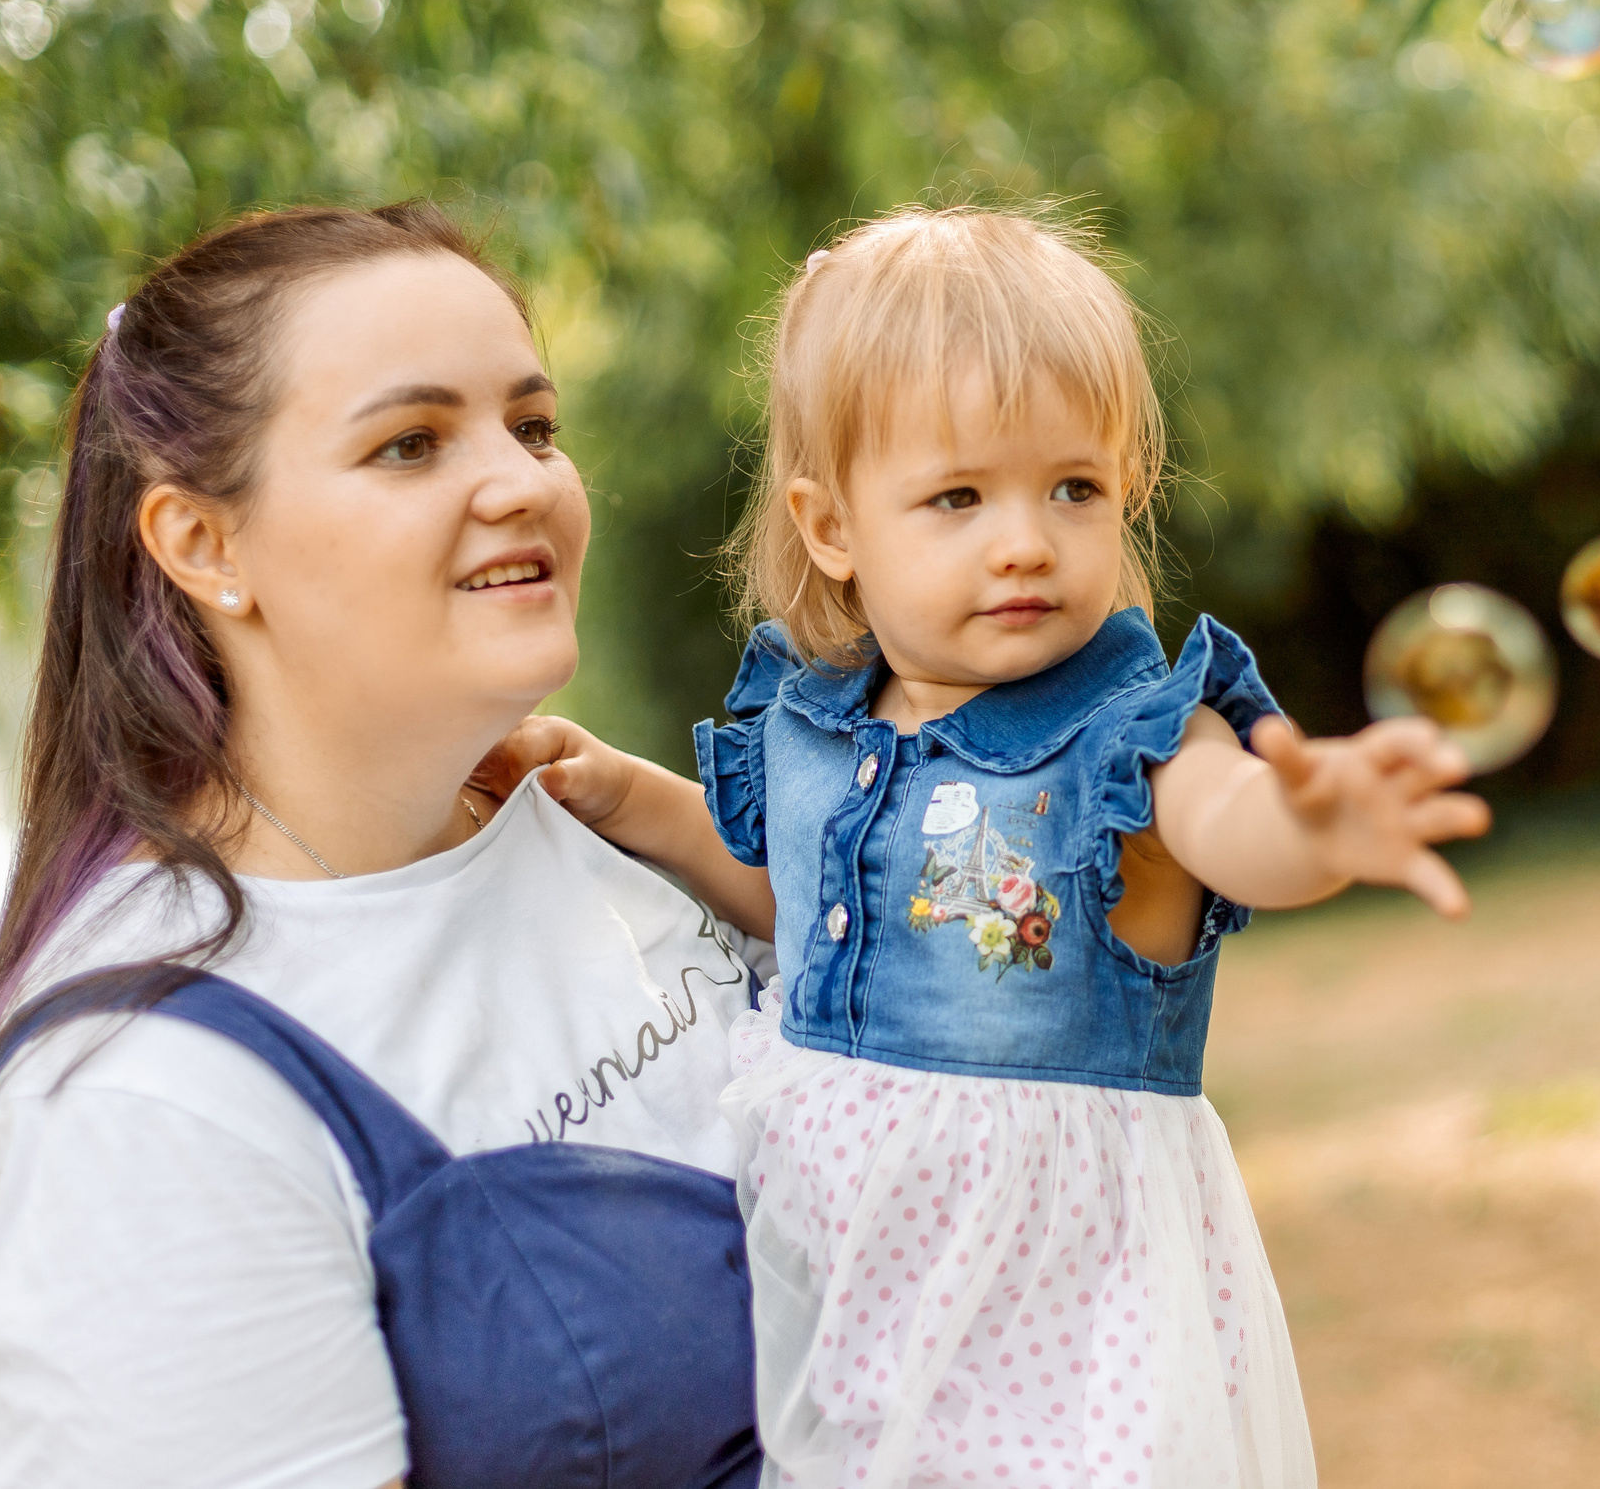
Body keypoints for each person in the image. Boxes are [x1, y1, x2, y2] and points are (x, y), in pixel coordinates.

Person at [505, 205, 1490, 1488]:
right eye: (958, 495)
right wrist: (632, 797)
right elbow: (793, 895)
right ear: (832, 527)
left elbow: (1224, 825)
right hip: (845, 1287)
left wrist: (1309, 825)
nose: (1024, 537)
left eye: (1071, 487)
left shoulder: (1130, 731)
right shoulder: (809, 720)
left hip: (1061, 1319)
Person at [0, 202, 774, 1489]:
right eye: (411, 443)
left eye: (533, 426)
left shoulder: (588, 822)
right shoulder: (135, 1110)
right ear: (204, 544)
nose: (523, 481)